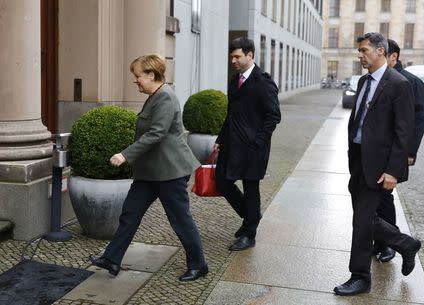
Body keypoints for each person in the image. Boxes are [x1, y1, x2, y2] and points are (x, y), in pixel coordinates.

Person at [90, 54, 208, 282]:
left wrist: (125, 155)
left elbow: (156, 134)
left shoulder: (164, 97)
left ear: (151, 75)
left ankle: (199, 264)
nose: (135, 81)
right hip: (150, 173)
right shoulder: (155, 95)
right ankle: (112, 259)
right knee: (129, 214)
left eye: (138, 76)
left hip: (169, 172)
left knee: (180, 220)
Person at [334, 33, 421, 296]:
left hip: (380, 165)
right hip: (359, 160)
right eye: (359, 51)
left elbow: (403, 132)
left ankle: (360, 276)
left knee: (361, 222)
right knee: (365, 219)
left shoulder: (398, 84)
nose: (359, 55)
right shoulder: (362, 82)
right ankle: (406, 244)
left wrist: (393, 170)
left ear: (381, 51)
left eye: (364, 51)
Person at [214, 37, 281, 251]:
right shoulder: (235, 81)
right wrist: (219, 140)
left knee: (251, 188)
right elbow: (231, 114)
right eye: (231, 56)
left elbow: (274, 116)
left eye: (237, 56)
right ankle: (251, 215)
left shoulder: (263, 81)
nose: (233, 60)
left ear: (250, 55)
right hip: (231, 144)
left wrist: (258, 142)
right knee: (222, 181)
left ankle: (249, 234)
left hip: (254, 148)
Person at [372, 39, 424, 263]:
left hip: (396, 151)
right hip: (378, 150)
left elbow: (418, 120)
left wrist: (410, 152)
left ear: (393, 57)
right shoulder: (380, 79)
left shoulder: (411, 82)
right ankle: (384, 242)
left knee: (384, 197)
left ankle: (391, 244)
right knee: (377, 198)